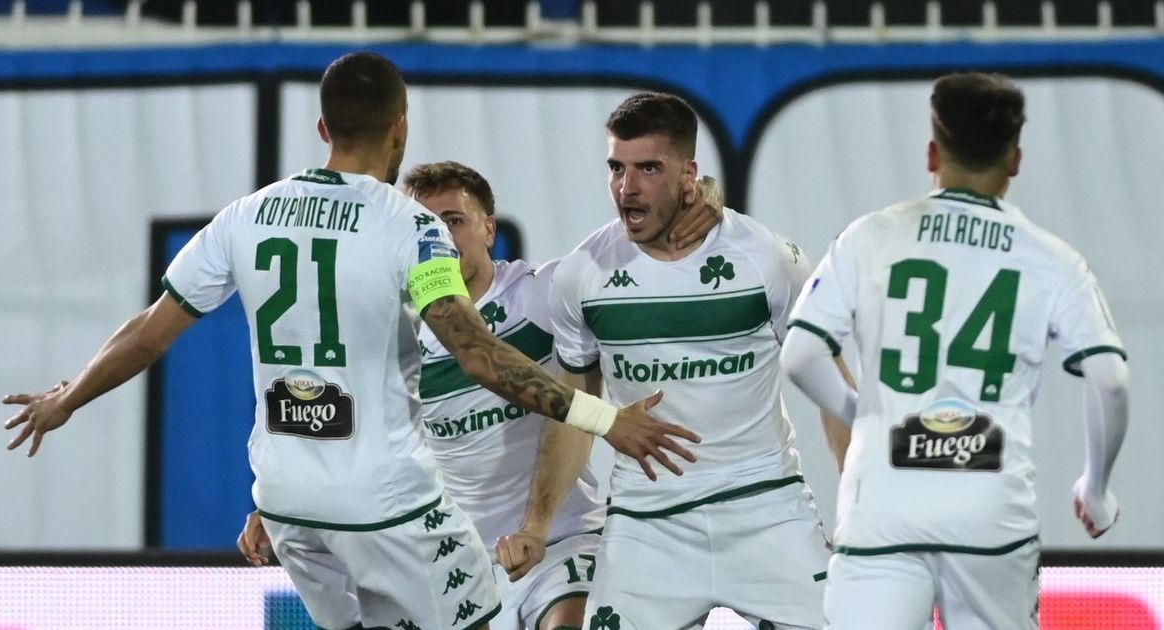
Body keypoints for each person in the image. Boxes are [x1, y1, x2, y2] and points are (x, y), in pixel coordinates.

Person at [1, 52, 701, 630]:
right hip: (385, 505)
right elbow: (477, 352)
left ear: (322, 127)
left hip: (287, 503)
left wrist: (67, 398)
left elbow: (148, 334)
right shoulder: (410, 227)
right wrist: (603, 418)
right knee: (485, 612)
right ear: (401, 128)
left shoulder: (247, 216)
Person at [238, 160, 725, 630]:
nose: (441, 238)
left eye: (454, 221)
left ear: (489, 229)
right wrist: (281, 509)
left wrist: (704, 194)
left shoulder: (539, 296)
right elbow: (343, 435)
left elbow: (647, 233)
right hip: (455, 558)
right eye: (425, 224)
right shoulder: (388, 336)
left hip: (562, 539)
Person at [780, 72, 1130, 630]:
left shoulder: (870, 237)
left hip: (884, 504)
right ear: (1015, 160)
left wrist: (864, 415)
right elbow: (1109, 380)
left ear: (931, 154)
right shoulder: (1053, 260)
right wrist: (1096, 487)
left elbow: (800, 356)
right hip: (990, 509)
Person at [497, 92, 850, 630]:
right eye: (616, 167)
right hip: (647, 524)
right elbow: (574, 408)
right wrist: (536, 526)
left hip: (763, 507)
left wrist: (860, 499)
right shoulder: (583, 275)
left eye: (648, 168)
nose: (626, 187)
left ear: (689, 174)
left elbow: (828, 380)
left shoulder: (766, 259)